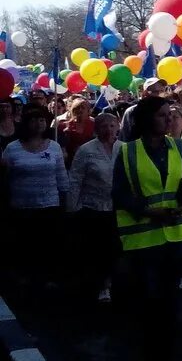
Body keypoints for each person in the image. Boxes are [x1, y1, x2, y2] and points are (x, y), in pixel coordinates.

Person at [111, 96, 182, 361]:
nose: (169, 120)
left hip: (176, 237)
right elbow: (120, 193)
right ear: (147, 119)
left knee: (169, 306)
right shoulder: (127, 152)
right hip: (143, 240)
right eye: (162, 115)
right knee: (150, 304)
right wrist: (146, 210)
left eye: (169, 115)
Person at [1, 105, 70, 291]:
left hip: (50, 204)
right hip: (22, 206)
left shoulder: (54, 146)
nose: (38, 123)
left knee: (48, 244)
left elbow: (61, 176)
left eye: (42, 120)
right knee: (24, 244)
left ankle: (48, 277)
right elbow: (5, 176)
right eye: (34, 120)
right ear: (26, 123)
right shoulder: (12, 148)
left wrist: (66, 199)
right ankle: (25, 278)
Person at [67, 111, 122, 302]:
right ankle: (100, 285)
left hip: (119, 208)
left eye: (112, 125)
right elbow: (75, 180)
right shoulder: (86, 150)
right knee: (98, 249)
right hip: (93, 208)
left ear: (118, 127)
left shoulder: (124, 148)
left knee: (117, 249)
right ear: (97, 129)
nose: (109, 130)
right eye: (104, 126)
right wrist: (72, 208)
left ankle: (115, 283)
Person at [60, 97, 95, 166]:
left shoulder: (95, 125)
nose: (80, 110)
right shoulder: (63, 126)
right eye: (77, 108)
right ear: (72, 110)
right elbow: (61, 146)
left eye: (83, 107)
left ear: (88, 111)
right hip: (71, 161)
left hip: (91, 161)